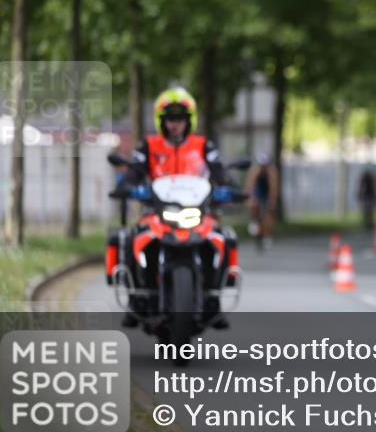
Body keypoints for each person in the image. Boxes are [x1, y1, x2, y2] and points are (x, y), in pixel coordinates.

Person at [113, 86, 232, 327]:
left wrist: (230, 188)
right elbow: (134, 172)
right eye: (170, 119)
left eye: (179, 118)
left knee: (222, 237)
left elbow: (220, 172)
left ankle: (213, 300)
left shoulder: (203, 146)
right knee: (130, 239)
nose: (174, 124)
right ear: (161, 121)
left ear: (189, 120)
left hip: (197, 213)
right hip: (156, 213)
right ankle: (137, 298)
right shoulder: (149, 146)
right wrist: (127, 186)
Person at [245, 152, 279, 250]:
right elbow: (250, 186)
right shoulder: (255, 171)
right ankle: (254, 220)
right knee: (254, 205)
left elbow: (273, 188)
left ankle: (267, 235)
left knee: (268, 215)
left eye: (265, 165)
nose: (263, 167)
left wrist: (272, 201)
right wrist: (249, 200)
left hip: (267, 190)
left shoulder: (272, 172)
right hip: (258, 189)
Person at [357, 165, 376, 231]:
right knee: (368, 210)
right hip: (368, 195)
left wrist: (360, 194)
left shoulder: (369, 178)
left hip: (369, 195)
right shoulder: (366, 178)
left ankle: (370, 223)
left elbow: (374, 187)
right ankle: (368, 223)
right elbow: (361, 187)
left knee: (369, 210)